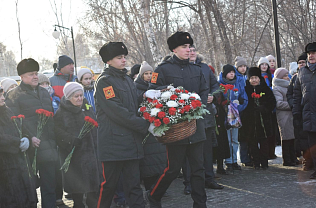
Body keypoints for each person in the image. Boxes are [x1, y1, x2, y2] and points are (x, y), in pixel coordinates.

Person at [147, 31, 208, 208]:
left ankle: (200, 203)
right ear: (174, 49)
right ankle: (154, 195)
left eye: (190, 47)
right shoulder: (162, 69)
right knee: (172, 169)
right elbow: (153, 91)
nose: (188, 50)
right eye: (184, 47)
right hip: (175, 128)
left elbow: (204, 90)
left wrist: (199, 106)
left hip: (195, 126)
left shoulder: (197, 68)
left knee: (198, 169)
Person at [95, 42, 150, 208]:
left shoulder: (127, 79)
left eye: (124, 57)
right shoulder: (105, 82)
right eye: (119, 58)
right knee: (109, 186)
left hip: (131, 142)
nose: (124, 60)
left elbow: (133, 106)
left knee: (134, 185)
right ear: (109, 61)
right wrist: (144, 125)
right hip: (113, 144)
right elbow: (117, 111)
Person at [5, 58, 58, 208]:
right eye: (30, 74)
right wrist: (29, 136)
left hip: (48, 148)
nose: (35, 76)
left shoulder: (43, 92)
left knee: (49, 188)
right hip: (29, 151)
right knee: (30, 189)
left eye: (36, 73)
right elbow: (13, 122)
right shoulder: (14, 95)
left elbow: (51, 120)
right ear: (21, 77)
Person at [54, 82, 100, 208]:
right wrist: (70, 140)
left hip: (90, 153)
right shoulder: (61, 112)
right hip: (74, 155)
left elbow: (94, 123)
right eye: (76, 96)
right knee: (77, 190)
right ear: (69, 97)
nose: (80, 98)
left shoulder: (86, 106)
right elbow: (57, 132)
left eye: (81, 95)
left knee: (92, 189)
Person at [188, 45, 223, 190]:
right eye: (188, 51)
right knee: (189, 152)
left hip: (206, 115)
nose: (191, 53)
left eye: (193, 50)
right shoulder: (180, 70)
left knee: (207, 150)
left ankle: (209, 178)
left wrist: (212, 96)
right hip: (188, 116)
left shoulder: (205, 68)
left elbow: (216, 87)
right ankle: (190, 183)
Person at [0, 86, 37, 208]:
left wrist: (26, 137)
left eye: (2, 95)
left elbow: (20, 127)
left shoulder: (6, 110)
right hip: (4, 165)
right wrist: (17, 142)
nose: (2, 98)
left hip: (19, 162)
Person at [134, 61, 168, 193]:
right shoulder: (137, 88)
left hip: (157, 124)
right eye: (146, 74)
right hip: (145, 126)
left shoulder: (156, 86)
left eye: (150, 73)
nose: (148, 76)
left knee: (159, 156)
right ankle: (149, 185)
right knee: (149, 158)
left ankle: (159, 185)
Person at [243, 67, 276, 170]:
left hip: (264, 120)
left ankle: (264, 161)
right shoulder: (246, 89)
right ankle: (256, 161)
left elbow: (272, 102)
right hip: (250, 121)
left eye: (256, 77)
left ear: (259, 78)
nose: (254, 80)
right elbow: (243, 102)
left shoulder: (265, 89)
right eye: (251, 78)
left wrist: (264, 108)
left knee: (264, 141)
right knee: (252, 143)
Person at [219, 64, 248, 172]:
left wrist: (238, 108)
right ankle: (228, 161)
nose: (232, 74)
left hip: (236, 115)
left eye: (233, 72)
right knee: (227, 139)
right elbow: (218, 99)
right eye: (229, 72)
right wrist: (224, 106)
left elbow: (244, 98)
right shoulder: (220, 85)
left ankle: (235, 160)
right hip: (225, 116)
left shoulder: (238, 83)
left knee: (235, 139)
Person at [293, 42, 316, 179]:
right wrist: (296, 112)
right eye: (309, 54)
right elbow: (296, 94)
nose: (311, 56)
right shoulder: (302, 72)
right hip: (308, 115)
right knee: (312, 144)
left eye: (313, 53)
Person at [287, 52, 311, 170]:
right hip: (300, 112)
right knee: (302, 138)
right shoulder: (296, 78)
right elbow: (291, 95)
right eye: (299, 63)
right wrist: (295, 107)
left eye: (303, 62)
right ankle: (307, 160)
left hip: (310, 110)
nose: (301, 64)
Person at [272, 68, 296, 166]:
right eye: (285, 75)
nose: (288, 77)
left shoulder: (289, 86)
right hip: (284, 116)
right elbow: (279, 104)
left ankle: (293, 158)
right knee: (286, 138)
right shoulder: (277, 88)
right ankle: (287, 160)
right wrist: (292, 104)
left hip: (291, 116)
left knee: (292, 138)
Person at [258, 57, 278, 159]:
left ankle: (271, 151)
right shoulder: (257, 77)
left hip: (271, 106)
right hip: (262, 106)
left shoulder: (271, 76)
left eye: (266, 64)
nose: (264, 66)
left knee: (272, 131)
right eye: (262, 64)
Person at [234, 56, 252, 167]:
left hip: (248, 108)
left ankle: (249, 157)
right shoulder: (236, 78)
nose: (243, 68)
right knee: (242, 136)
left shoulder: (247, 76)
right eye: (240, 66)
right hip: (240, 108)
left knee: (247, 134)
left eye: (244, 66)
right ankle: (244, 158)